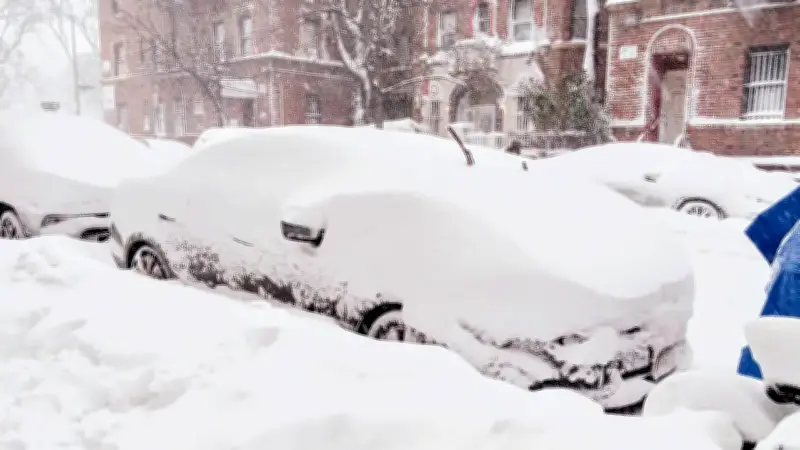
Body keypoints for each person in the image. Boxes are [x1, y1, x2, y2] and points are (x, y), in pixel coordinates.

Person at [738, 186, 800, 379]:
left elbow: (769, 227)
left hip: (791, 267)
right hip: (793, 273)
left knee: (776, 334)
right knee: (779, 335)